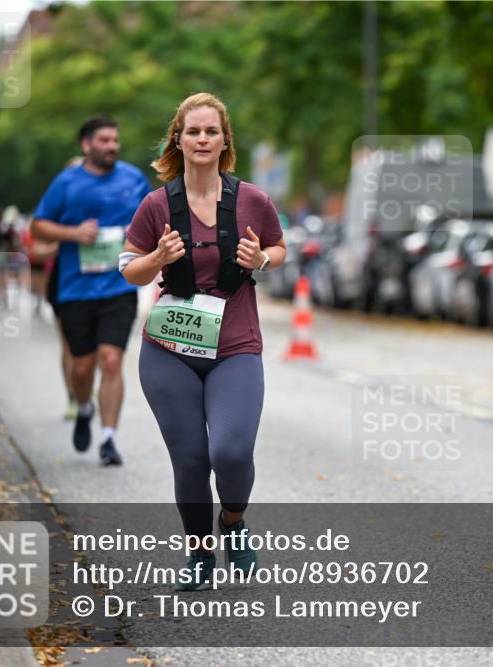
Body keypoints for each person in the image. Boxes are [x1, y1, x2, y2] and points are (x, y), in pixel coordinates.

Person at [120, 93, 286, 590]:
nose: (202, 139)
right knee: (191, 457)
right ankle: (198, 553)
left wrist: (261, 259)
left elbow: (279, 249)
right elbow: (129, 267)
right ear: (179, 138)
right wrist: (157, 259)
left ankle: (232, 522)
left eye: (211, 131)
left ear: (224, 140)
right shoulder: (157, 204)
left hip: (234, 345)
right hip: (170, 349)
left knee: (231, 452)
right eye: (193, 131)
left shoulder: (253, 200)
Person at [31, 116, 150, 466]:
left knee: (111, 359)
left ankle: (109, 439)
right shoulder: (66, 183)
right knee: (82, 367)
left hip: (119, 285)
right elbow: (37, 226)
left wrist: (138, 230)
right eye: (104, 140)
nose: (112, 145)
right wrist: (73, 234)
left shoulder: (133, 178)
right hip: (75, 290)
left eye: (115, 140)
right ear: (86, 145)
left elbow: (155, 217)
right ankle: (84, 407)